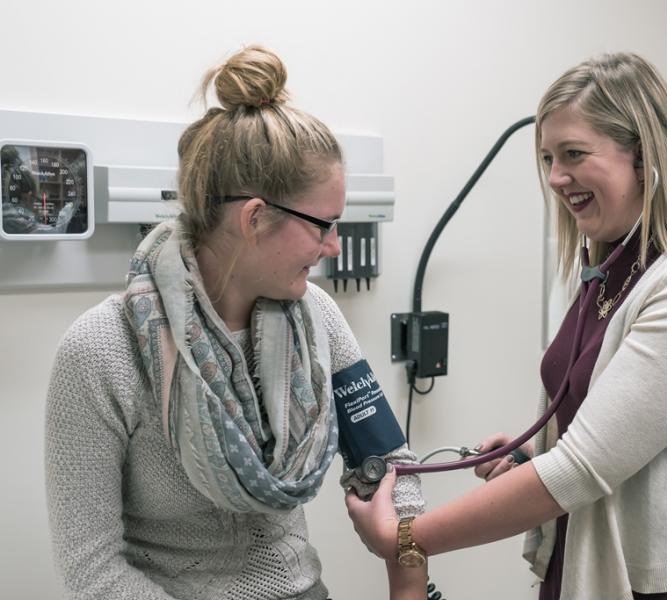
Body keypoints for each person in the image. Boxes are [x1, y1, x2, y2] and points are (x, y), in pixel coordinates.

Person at [347, 52, 667, 600]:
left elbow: (581, 468)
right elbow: (605, 425)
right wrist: (534, 453)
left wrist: (404, 539)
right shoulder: (607, 265)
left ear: (645, 156)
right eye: (548, 157)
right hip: (585, 556)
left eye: (573, 154)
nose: (554, 177)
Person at [44, 45, 426, 600]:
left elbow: (389, 468)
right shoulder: (101, 350)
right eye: (323, 224)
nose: (334, 245)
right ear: (254, 218)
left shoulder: (317, 319)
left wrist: (409, 583)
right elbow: (92, 571)